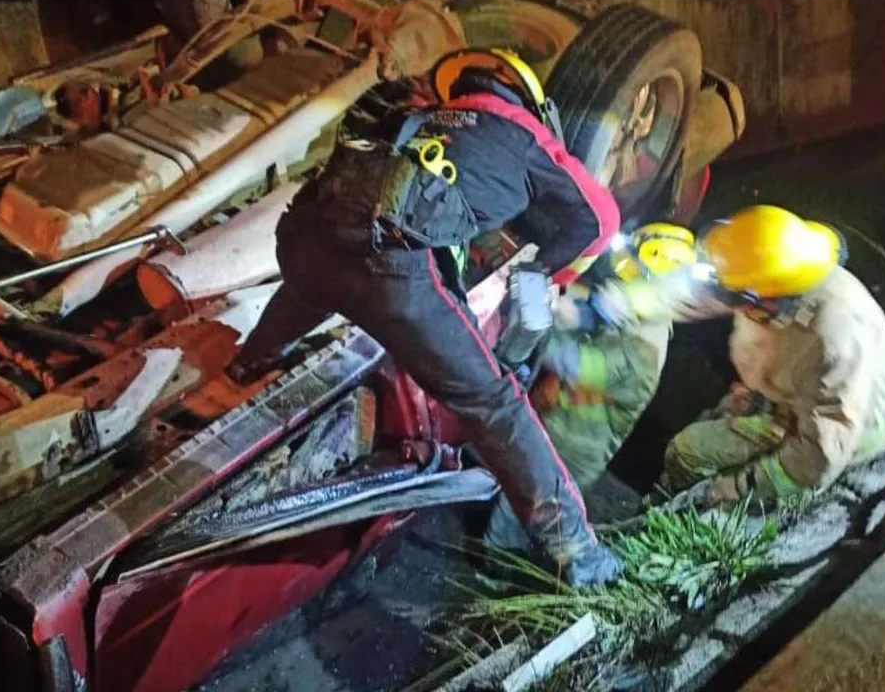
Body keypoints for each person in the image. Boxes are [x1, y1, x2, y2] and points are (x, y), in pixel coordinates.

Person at [228, 48, 624, 586]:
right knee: (495, 403)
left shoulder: (419, 117)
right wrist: (546, 272)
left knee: (312, 286)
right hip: (391, 273)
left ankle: (243, 370)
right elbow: (600, 219)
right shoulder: (522, 130)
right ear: (530, 102)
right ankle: (580, 554)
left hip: (302, 246)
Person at [561, 205, 885, 510]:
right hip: (786, 391)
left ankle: (668, 509)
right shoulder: (773, 264)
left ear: (764, 302)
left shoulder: (836, 341)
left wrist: (738, 488)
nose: (718, 293)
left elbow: (820, 453)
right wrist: (611, 304)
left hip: (841, 431)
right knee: (716, 417)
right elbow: (695, 293)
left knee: (689, 449)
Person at [484, 223, 696, 550]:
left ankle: (490, 568)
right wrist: (568, 301)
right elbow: (591, 302)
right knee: (515, 491)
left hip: (574, 450)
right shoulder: (634, 316)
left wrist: (544, 314)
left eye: (633, 271)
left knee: (518, 512)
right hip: (558, 428)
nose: (623, 274)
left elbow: (571, 362)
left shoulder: (642, 351)